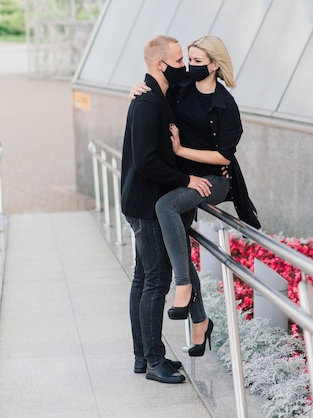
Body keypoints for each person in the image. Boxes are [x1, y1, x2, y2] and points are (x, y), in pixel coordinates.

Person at [131, 36, 243, 357]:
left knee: (165, 207)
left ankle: (182, 286)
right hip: (185, 181)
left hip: (213, 180)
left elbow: (224, 156)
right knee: (177, 242)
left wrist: (181, 150)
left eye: (197, 61)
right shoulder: (182, 89)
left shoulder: (225, 105)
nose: (191, 67)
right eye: (188, 60)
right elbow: (157, 80)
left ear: (215, 65)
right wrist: (136, 90)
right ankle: (200, 322)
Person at [120, 35, 214, 384]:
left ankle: (143, 357)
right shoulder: (146, 103)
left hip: (143, 201)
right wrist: (185, 178)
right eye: (178, 62)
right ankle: (153, 361)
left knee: (143, 279)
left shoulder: (159, 94)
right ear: (160, 65)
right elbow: (145, 161)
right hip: (145, 205)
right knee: (155, 281)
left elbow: (196, 78)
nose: (184, 68)